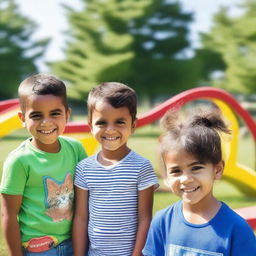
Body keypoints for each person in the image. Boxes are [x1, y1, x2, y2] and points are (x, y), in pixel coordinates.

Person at [143, 107, 256, 256]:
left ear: (217, 170)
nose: (186, 179)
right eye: (176, 171)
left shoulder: (237, 229)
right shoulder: (162, 222)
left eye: (196, 168)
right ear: (166, 177)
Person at [0, 74, 87, 256]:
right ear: (22, 118)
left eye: (55, 113)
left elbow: (87, 197)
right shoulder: (19, 161)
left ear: (67, 115)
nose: (46, 122)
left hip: (74, 243)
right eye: (36, 115)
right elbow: (8, 215)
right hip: (37, 249)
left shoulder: (76, 149)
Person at [73, 82, 159, 256]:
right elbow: (81, 219)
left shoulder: (141, 167)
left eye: (120, 122)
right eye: (102, 123)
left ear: (133, 125)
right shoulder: (84, 168)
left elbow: (145, 219)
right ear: (90, 125)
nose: (110, 130)